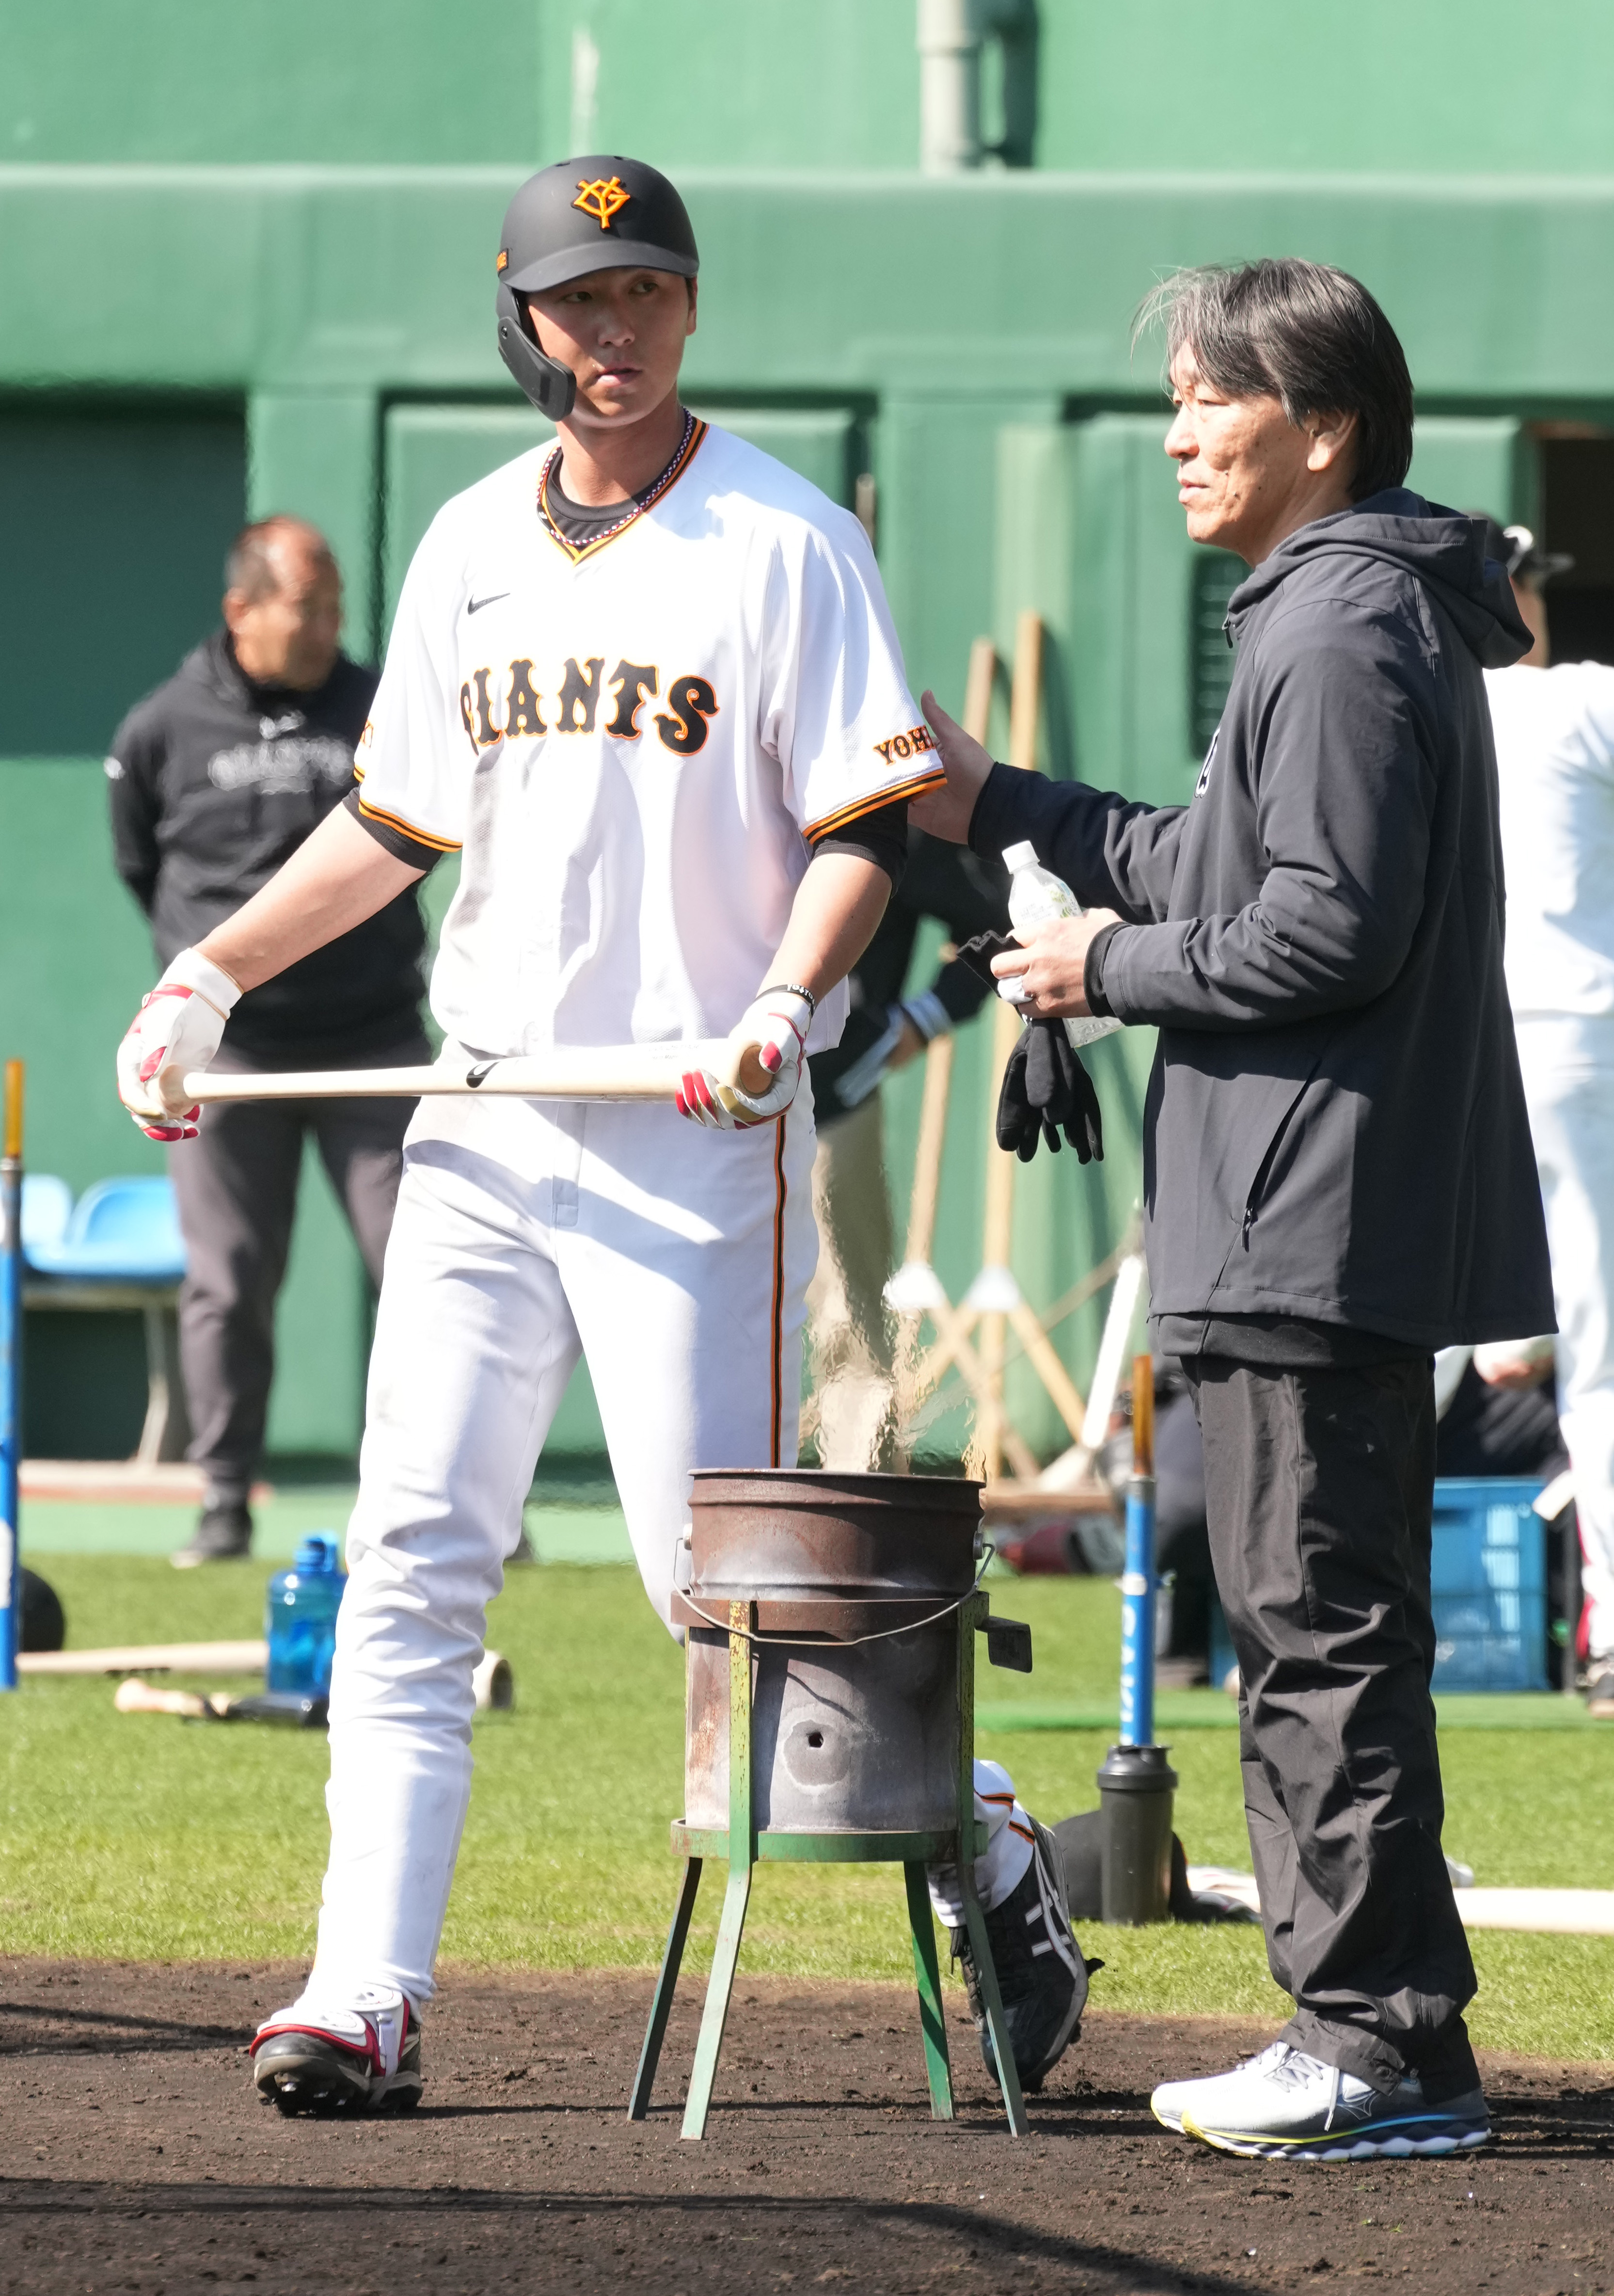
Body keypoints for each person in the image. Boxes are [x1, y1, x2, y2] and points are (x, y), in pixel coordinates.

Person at [113, 156, 1088, 2111]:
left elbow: (864, 837)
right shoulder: (468, 540)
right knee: (407, 1558)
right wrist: (205, 970)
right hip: (484, 1106)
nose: (612, 329)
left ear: (690, 308)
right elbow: (396, 824)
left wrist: (777, 1005)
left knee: (715, 1587)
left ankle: (985, 1836)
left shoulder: (785, 539)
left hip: (690, 1120)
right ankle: (363, 1989)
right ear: (524, 317)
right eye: (577, 298)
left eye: (645, 290)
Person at [914, 258, 1554, 2161]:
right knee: (1304, 1622)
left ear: (1322, 427)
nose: (1178, 431)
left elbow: (1322, 922)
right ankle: (1382, 2036)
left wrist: (1100, 971)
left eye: (1211, 397)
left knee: (1314, 1632)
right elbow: (1211, 855)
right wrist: (988, 798)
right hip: (1292, 1200)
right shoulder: (1323, 610)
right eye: (1176, 397)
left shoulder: (1343, 623)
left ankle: (1368, 2038)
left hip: (1307, 1202)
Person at [107, 518, 432, 1566]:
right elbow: (138, 866)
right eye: (312, 603)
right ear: (242, 609)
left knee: (426, 1260)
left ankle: (440, 1498)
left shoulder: (384, 704)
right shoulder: (162, 727)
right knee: (231, 1278)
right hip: (231, 1056)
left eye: (340, 601)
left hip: (374, 1037)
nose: (336, 621)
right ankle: (220, 1499)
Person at [1480, 517, 1614, 1712]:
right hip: (1575, 1031)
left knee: (1415, 1330)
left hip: (1459, 1042)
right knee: (1600, 1336)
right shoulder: (1572, 700)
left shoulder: (1421, 712)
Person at [805, 832, 1009, 1469]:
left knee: (848, 1327)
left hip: (827, 1103)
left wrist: (927, 1016)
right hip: (683, 1097)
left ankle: (859, 1528)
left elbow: (1000, 920)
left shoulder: (871, 793)